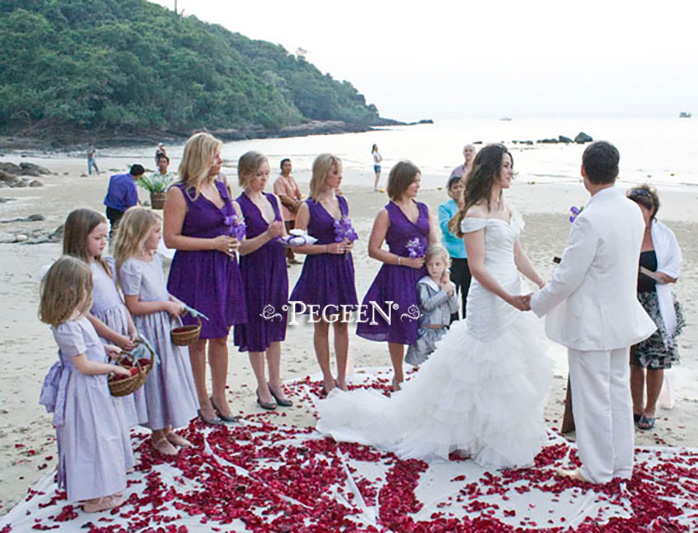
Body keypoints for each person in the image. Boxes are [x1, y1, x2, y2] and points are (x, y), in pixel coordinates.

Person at [318, 144, 552, 470]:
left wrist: (542, 284)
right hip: (490, 298)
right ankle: (466, 432)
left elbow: (518, 255)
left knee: (512, 365)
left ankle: (491, 434)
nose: (511, 171)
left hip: (512, 294)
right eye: (505, 166)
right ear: (490, 171)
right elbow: (477, 268)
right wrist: (508, 297)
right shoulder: (475, 214)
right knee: (480, 365)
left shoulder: (508, 210)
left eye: (512, 165)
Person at [530, 141, 656, 484]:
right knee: (617, 393)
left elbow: (568, 277)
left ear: (583, 171)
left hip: (591, 322)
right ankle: (621, 465)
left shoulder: (589, 219)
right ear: (615, 170)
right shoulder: (632, 210)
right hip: (621, 316)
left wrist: (535, 303)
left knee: (593, 398)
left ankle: (597, 469)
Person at [164, 132, 247, 426]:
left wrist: (235, 237)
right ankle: (200, 398)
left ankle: (219, 395)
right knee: (198, 338)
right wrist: (212, 244)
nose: (220, 161)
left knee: (221, 335)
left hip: (224, 267)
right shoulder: (179, 192)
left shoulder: (222, 186)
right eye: (215, 155)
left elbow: (233, 220)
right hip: (194, 270)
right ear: (200, 158)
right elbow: (171, 239)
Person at [39, 256, 132, 513]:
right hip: (85, 389)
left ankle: (104, 486)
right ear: (70, 290)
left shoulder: (77, 318)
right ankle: (94, 496)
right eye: (84, 288)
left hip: (95, 387)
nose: (88, 294)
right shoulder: (66, 325)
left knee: (105, 434)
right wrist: (113, 367)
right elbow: (83, 364)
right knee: (93, 437)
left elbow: (87, 346)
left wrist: (105, 347)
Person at [115, 207, 199, 456]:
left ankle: (167, 427)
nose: (160, 236)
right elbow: (133, 305)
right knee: (155, 381)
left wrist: (172, 300)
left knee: (169, 377)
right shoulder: (131, 266)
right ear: (141, 233)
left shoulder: (153, 259)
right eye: (156, 231)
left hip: (164, 325)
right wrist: (165, 305)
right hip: (149, 329)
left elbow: (158, 290)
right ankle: (157, 433)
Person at [356, 160, 438, 391]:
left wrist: (439, 269)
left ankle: (423, 369)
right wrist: (404, 261)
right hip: (397, 275)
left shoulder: (424, 209)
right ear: (402, 182)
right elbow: (373, 250)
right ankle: (399, 376)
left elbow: (433, 241)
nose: (417, 185)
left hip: (424, 272)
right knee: (399, 324)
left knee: (427, 322)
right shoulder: (387, 213)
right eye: (414, 181)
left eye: (419, 181)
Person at [62, 208, 147, 430]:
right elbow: (84, 313)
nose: (103, 242)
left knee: (123, 383)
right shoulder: (77, 270)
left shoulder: (104, 263)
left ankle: (121, 434)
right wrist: (114, 337)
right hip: (100, 331)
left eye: (105, 237)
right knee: (104, 388)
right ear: (80, 238)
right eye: (97, 238)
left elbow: (118, 300)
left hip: (119, 324)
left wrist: (130, 328)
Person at [290, 154, 358, 393]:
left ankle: (342, 377)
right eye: (335, 173)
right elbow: (295, 245)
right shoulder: (308, 206)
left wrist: (348, 243)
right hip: (320, 268)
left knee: (342, 323)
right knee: (322, 325)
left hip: (342, 266)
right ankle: (327, 377)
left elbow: (347, 231)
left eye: (340, 172)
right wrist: (326, 248)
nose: (339, 177)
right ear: (322, 175)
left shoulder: (343, 202)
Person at [235, 151, 293, 410]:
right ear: (245, 175)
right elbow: (241, 247)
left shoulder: (272, 199)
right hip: (254, 269)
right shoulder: (239, 205)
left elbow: (281, 234)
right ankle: (261, 384)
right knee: (257, 327)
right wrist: (267, 236)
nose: (263, 179)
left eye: (266, 174)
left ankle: (276, 381)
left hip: (277, 266)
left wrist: (291, 239)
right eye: (258, 174)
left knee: (276, 326)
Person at [626, 185, 684, 431]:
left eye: (640, 211)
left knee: (656, 360)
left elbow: (674, 269)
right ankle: (635, 407)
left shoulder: (664, 235)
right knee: (635, 359)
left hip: (656, 303)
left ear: (651, 210)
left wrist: (657, 275)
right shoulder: (626, 232)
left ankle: (651, 409)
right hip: (631, 301)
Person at [405, 244, 459, 366]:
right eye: (430, 264)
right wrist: (443, 293)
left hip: (442, 331)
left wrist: (450, 293)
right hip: (425, 331)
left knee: (441, 365)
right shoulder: (424, 284)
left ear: (446, 265)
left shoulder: (450, 285)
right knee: (419, 365)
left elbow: (454, 308)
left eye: (438, 264)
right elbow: (427, 305)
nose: (434, 268)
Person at [438, 175, 470, 320]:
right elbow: (447, 229)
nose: (458, 190)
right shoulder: (444, 207)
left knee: (468, 295)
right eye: (455, 187)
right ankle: (452, 326)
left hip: (470, 256)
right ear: (450, 191)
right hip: (452, 257)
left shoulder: (472, 207)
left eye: (461, 186)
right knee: (452, 294)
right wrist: (460, 211)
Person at [273, 158, 303, 266]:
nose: (288, 167)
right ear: (281, 167)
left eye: (290, 165)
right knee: (284, 235)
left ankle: (291, 257)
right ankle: (283, 259)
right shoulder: (279, 181)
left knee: (293, 234)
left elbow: (298, 192)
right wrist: (293, 204)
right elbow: (281, 196)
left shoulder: (292, 179)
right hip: (285, 211)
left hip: (294, 212)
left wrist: (299, 202)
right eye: (286, 165)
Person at [104, 164, 145, 234]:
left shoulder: (115, 177)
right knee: (119, 229)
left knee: (114, 226)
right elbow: (131, 203)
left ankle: (112, 239)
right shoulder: (131, 184)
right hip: (120, 209)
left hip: (110, 206)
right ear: (139, 175)